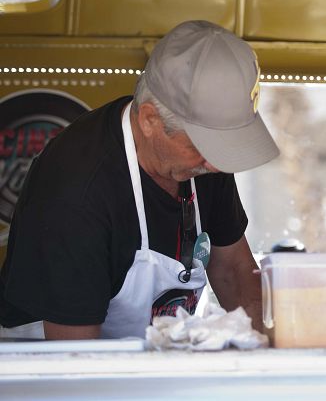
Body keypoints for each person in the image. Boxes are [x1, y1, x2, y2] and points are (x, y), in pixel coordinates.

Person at [0, 20, 280, 340]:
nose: (216, 164)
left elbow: (233, 270)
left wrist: (270, 352)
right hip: (48, 367)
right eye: (203, 147)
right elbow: (75, 361)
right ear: (149, 120)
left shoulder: (203, 160)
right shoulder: (77, 197)